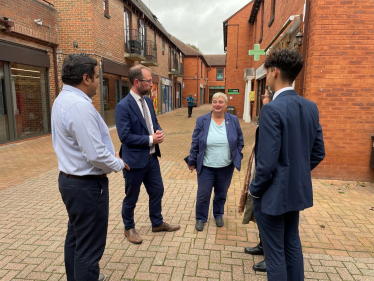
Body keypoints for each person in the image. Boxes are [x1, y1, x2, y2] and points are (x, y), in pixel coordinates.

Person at [249, 49, 325, 280]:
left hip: (272, 195)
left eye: (266, 73)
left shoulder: (271, 109)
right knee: (292, 243)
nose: (266, 78)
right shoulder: (310, 107)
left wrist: (255, 189)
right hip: (296, 191)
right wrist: (294, 173)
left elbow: (267, 162)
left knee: (274, 254)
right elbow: (318, 152)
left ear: (274, 71)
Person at [52, 53, 129, 281]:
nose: (98, 82)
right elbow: (95, 154)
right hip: (86, 186)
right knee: (89, 248)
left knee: (76, 238)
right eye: (96, 77)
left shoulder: (62, 99)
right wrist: (118, 163)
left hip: (71, 181)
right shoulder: (78, 106)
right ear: (86, 78)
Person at [115, 65, 180, 244]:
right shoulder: (123, 106)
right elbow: (125, 136)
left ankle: (157, 223)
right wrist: (151, 139)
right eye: (149, 81)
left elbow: (154, 123)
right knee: (132, 197)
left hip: (152, 159)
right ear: (137, 82)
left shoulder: (149, 102)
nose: (152, 84)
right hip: (134, 161)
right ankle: (129, 228)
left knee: (157, 190)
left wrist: (159, 132)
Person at [188, 92, 244, 231]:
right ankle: (200, 218)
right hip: (206, 166)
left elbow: (240, 140)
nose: (217, 104)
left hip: (226, 166)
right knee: (203, 194)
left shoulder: (233, 120)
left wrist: (237, 155)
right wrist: (192, 160)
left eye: (220, 102)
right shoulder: (202, 120)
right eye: (214, 101)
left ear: (225, 104)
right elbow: (195, 142)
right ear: (212, 103)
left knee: (221, 193)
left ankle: (218, 214)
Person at [240, 86, 274, 273]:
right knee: (260, 218)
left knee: (270, 220)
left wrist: (256, 185)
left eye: (264, 95)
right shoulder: (267, 116)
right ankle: (263, 246)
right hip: (260, 175)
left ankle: (271, 258)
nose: (262, 98)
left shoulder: (273, 116)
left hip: (267, 181)